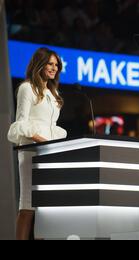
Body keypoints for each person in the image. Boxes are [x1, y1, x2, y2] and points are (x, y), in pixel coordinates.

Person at [7, 47, 67, 240]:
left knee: (44, 206)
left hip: (49, 151)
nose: (54, 68)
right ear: (40, 64)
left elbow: (52, 126)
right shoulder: (27, 88)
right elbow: (21, 122)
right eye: (50, 63)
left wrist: (53, 144)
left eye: (56, 65)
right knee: (28, 205)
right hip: (31, 150)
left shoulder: (52, 92)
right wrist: (40, 140)